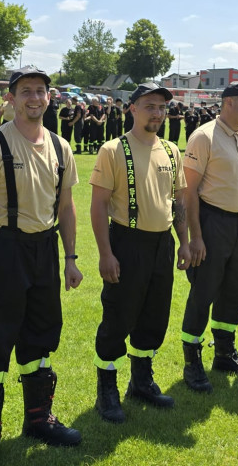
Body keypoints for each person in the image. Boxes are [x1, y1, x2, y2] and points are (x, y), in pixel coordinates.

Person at [0, 67, 83, 463]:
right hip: (3, 250)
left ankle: (37, 419)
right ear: (11, 98)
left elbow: (66, 209)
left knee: (41, 336)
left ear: (50, 98)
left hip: (44, 251)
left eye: (41, 91)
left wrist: (70, 258)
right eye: (25, 91)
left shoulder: (61, 147)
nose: (35, 98)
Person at [90, 82, 189, 423]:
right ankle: (107, 390)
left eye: (162, 107)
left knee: (155, 316)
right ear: (132, 108)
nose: (157, 113)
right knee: (119, 316)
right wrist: (106, 253)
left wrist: (185, 242)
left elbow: (178, 202)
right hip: (127, 242)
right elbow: (99, 205)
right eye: (150, 106)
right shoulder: (113, 150)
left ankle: (142, 381)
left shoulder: (173, 150)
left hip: (163, 244)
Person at [179, 82, 238, 392]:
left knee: (235, 292)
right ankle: (192, 361)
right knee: (203, 293)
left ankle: (225, 353)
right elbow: (189, 192)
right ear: (228, 102)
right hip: (213, 224)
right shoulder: (203, 137)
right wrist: (196, 237)